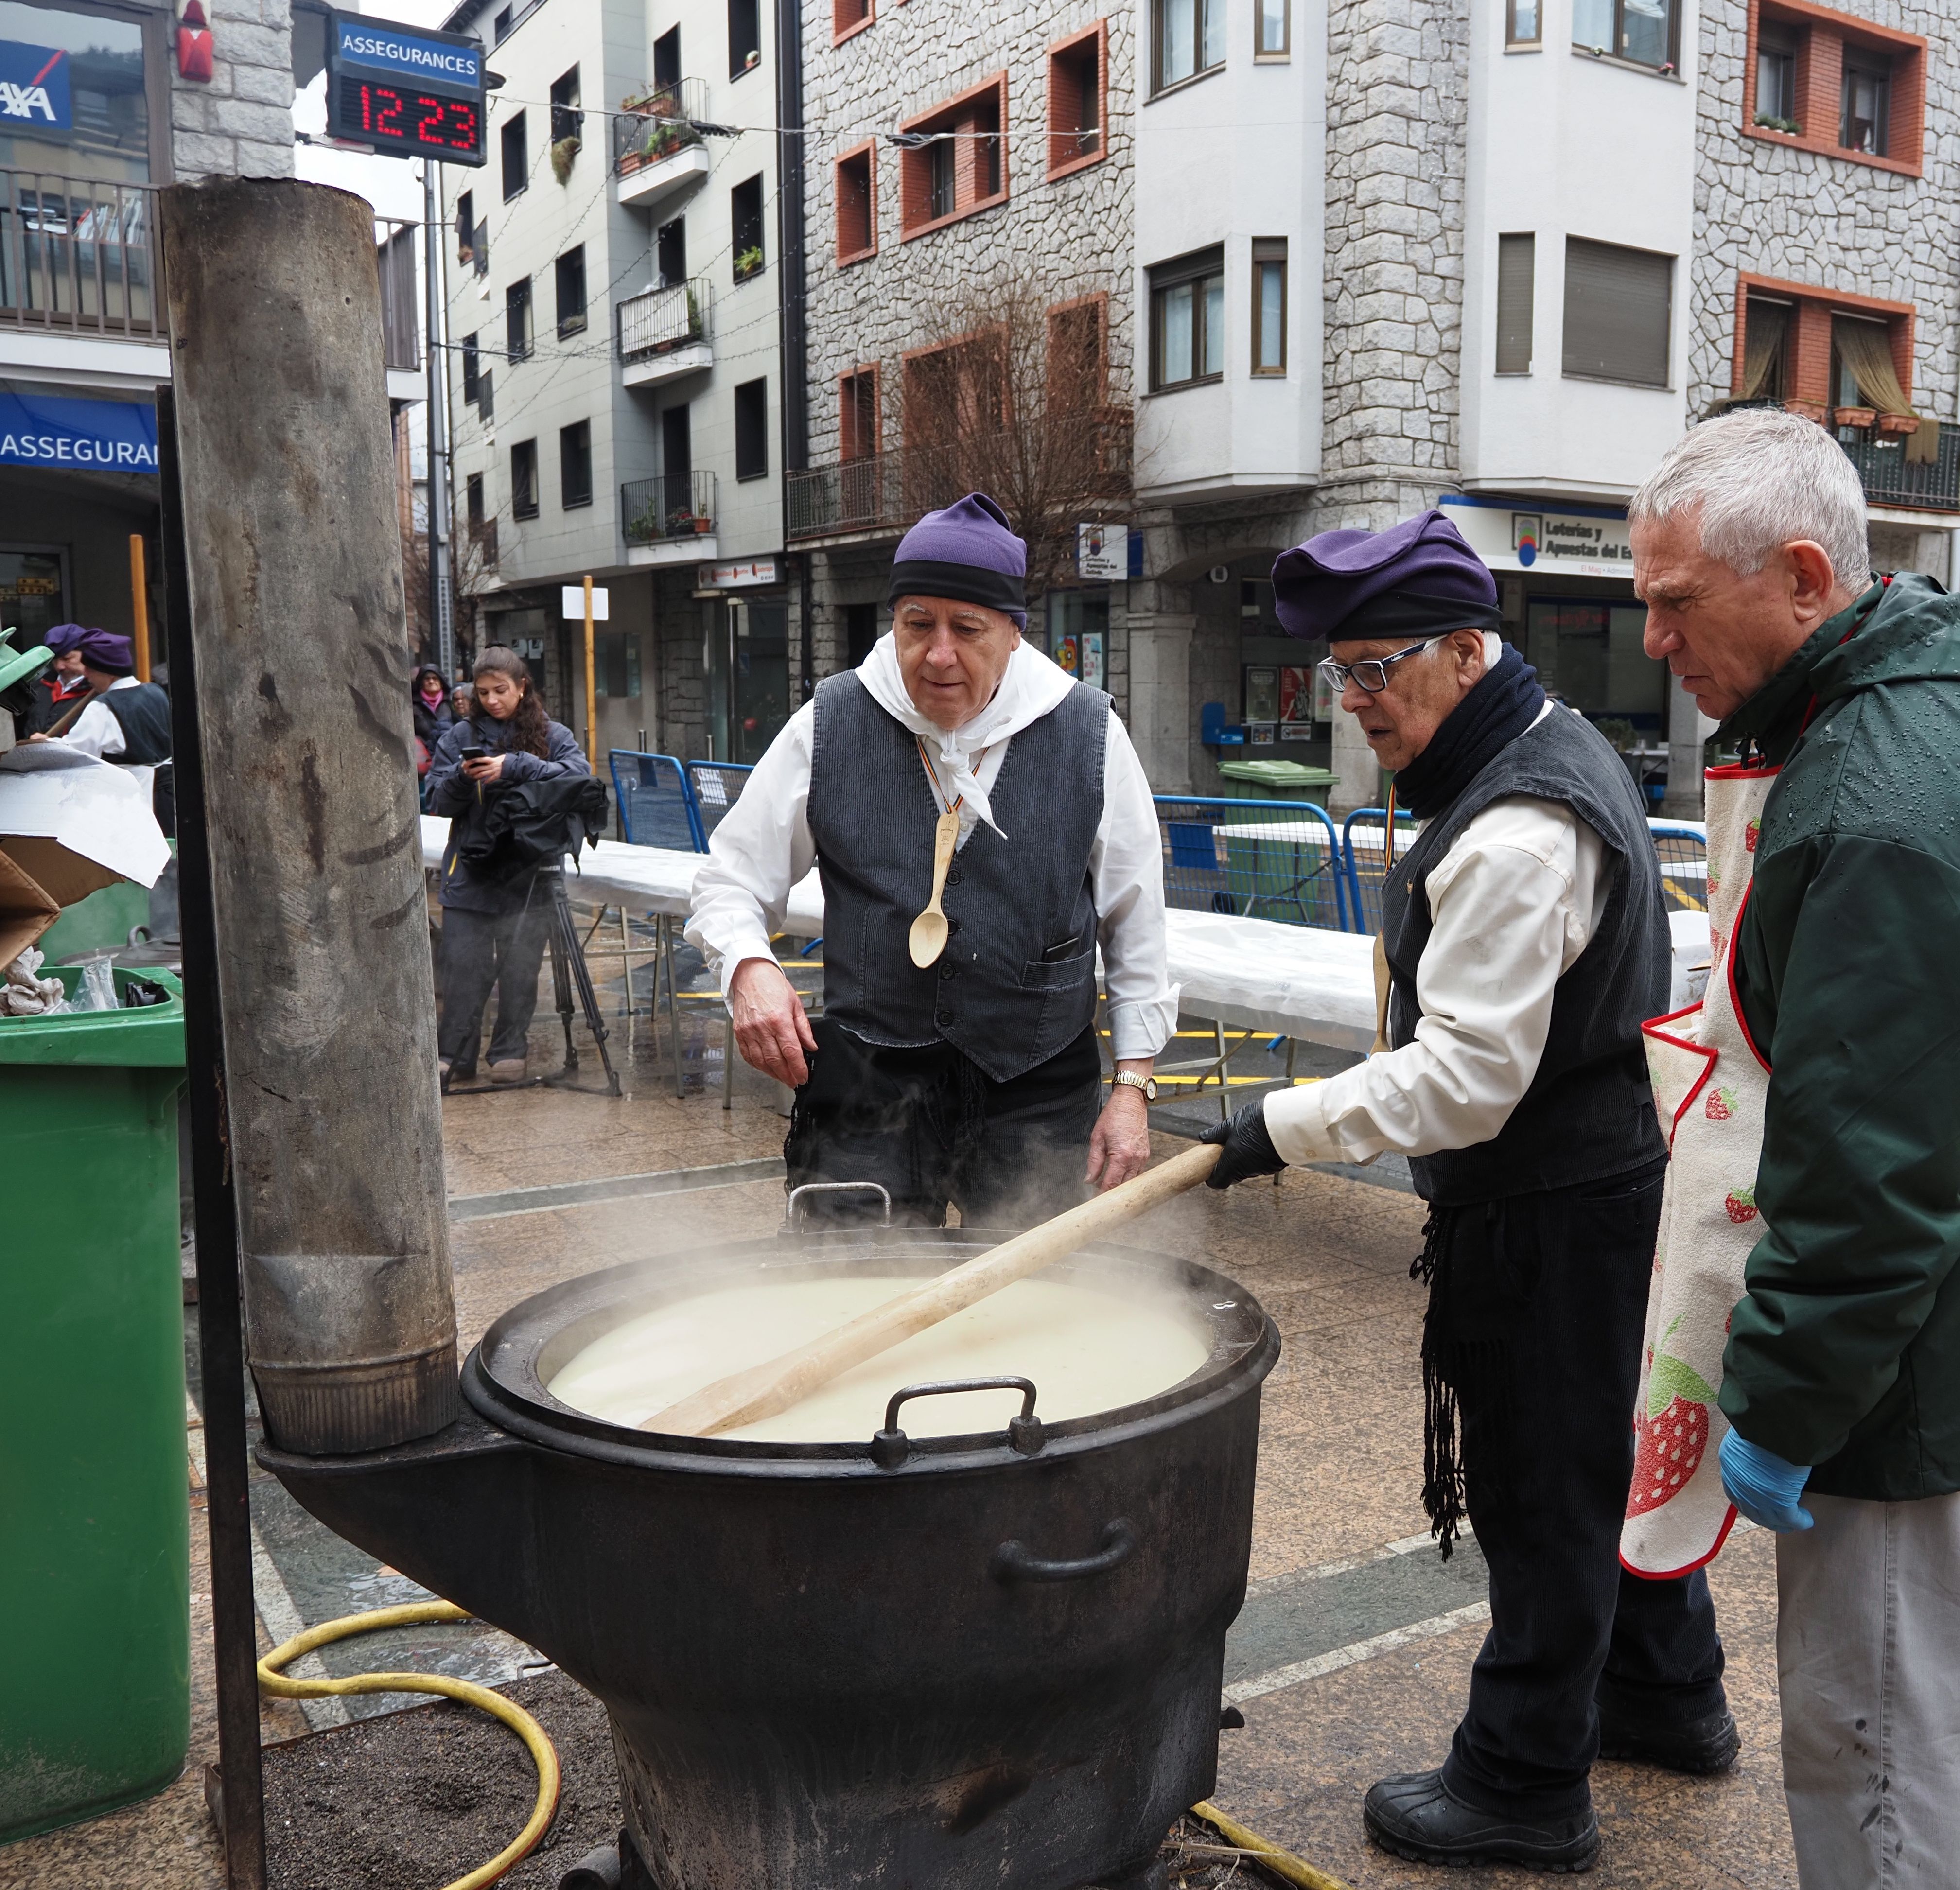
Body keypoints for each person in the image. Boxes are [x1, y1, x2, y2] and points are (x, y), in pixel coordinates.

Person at [1200, 510, 1734, 1873]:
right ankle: (1669, 1700)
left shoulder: (1512, 829)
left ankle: (1523, 1781)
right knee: (1607, 1468)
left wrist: (1272, 1125)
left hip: (1552, 1210)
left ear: (1464, 651)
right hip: (1606, 1180)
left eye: (1377, 670)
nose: (1356, 703)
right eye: (1343, 676)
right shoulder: (1549, 744)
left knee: (1544, 1493)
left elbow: (1462, 1081)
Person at [1627, 409, 1960, 1889]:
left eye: (1672, 602)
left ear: (1797, 578)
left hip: (1901, 1354)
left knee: (1878, 1729)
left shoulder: (1877, 801)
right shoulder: (1951, 695)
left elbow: (1867, 1188)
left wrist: (1782, 1399)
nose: (1655, 641)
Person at [688, 493, 1173, 1227]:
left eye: (967, 628)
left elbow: (1138, 927)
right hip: (866, 1086)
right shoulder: (831, 721)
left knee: (1029, 1317)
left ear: (1014, 632)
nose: (938, 653)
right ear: (895, 623)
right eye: (918, 625)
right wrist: (747, 968)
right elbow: (731, 878)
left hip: (1036, 1092)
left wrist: (1134, 1089)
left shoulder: (1089, 733)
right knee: (848, 1307)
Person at [425, 648, 589, 1085]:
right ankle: (454, 1054)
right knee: (464, 968)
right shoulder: (459, 736)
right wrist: (465, 777)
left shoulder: (553, 734)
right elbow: (436, 801)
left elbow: (579, 780)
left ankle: (509, 1050)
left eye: (502, 690)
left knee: (520, 968)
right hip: (471, 872)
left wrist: (516, 765)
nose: (493, 700)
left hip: (529, 873)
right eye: (484, 693)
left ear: (522, 687)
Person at [25, 627, 172, 805]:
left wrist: (43, 744)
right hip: (166, 796)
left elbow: (76, 751)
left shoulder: (103, 707)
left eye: (91, 670)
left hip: (129, 797)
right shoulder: (154, 692)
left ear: (108, 672)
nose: (86, 675)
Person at [412, 664, 456, 776]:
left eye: (435, 678)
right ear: (421, 682)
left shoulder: (452, 703)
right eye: (427, 679)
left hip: (450, 759)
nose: (431, 682)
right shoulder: (412, 705)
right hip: (423, 762)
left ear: (441, 681)